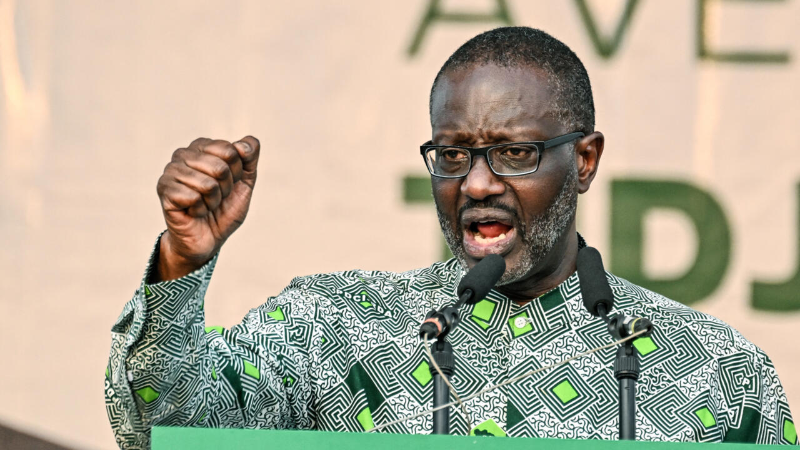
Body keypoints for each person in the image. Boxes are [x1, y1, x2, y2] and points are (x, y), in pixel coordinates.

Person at [104, 27, 797, 449]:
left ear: (584, 161)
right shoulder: (331, 327)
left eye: (515, 153)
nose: (477, 184)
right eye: (453, 154)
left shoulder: (718, 373)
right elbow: (161, 431)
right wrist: (181, 263)